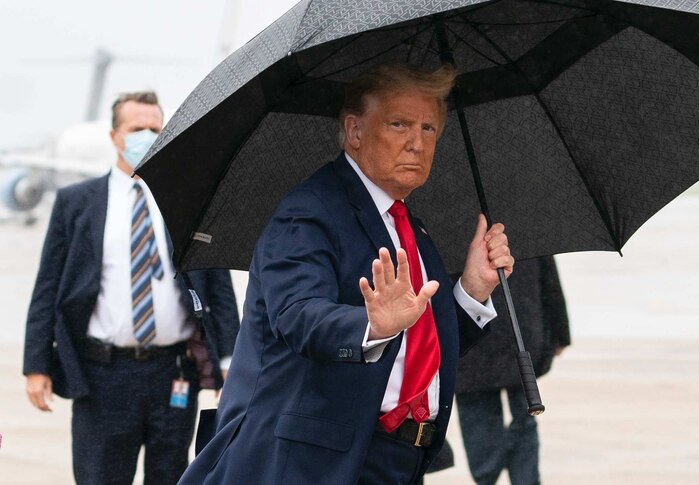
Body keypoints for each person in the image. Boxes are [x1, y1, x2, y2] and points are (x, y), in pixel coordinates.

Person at [180, 63, 514, 485]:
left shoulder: (407, 223)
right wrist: (370, 325)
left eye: (429, 129)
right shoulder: (309, 211)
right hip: (312, 465)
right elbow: (297, 316)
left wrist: (472, 290)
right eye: (399, 124)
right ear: (355, 132)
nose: (417, 143)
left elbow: (418, 346)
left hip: (393, 459)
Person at [22, 91, 241, 485]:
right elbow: (48, 287)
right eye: (136, 128)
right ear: (114, 136)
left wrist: (230, 365)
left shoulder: (187, 199)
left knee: (173, 476)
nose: (147, 135)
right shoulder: (77, 202)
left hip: (174, 373)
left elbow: (217, 286)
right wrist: (37, 365)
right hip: (102, 374)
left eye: (154, 129)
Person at [455, 256, 571, 485]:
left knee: (483, 423)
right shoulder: (525, 224)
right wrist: (560, 331)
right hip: (514, 337)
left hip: (479, 343)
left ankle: (493, 478)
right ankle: (517, 479)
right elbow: (548, 276)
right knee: (520, 419)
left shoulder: (450, 229)